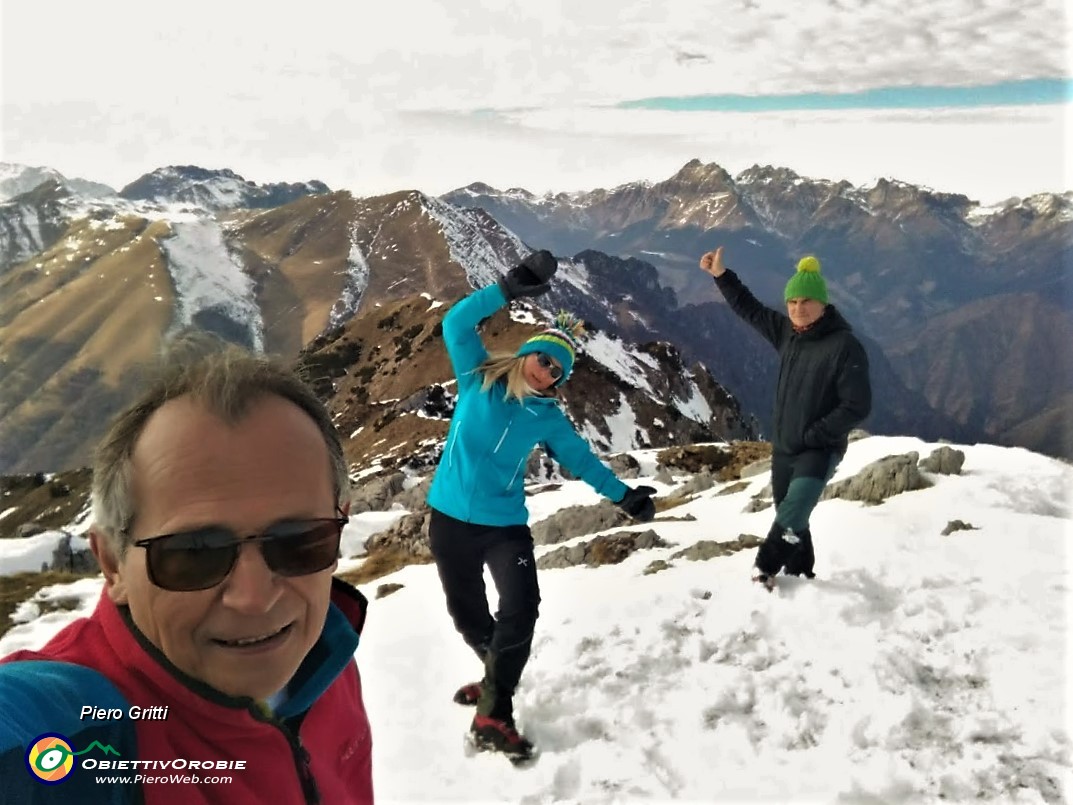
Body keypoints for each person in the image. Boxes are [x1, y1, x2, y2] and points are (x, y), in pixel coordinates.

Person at [0, 335, 373, 804]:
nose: (256, 598)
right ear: (112, 563)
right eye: (195, 553)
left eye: (299, 541)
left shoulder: (325, 654)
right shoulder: (84, 734)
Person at [427, 250, 657, 759]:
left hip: (503, 526)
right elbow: (456, 322)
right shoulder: (477, 378)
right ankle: (495, 678)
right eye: (544, 358)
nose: (547, 371)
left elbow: (585, 462)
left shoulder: (548, 419)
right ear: (527, 352)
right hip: (446, 519)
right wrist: (507, 288)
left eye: (558, 370)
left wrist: (626, 497)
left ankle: (494, 713)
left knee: (521, 608)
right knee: (468, 617)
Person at [699, 247, 871, 588]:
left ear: (823, 304)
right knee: (792, 521)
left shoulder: (844, 345)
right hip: (785, 447)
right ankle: (801, 578)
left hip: (819, 448)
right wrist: (721, 275)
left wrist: (817, 434)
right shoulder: (787, 333)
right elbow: (749, 309)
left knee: (793, 511)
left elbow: (857, 405)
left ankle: (763, 567)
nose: (798, 309)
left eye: (806, 302)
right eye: (792, 303)